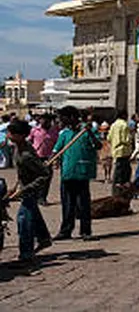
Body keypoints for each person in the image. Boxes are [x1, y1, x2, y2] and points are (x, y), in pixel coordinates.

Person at [5, 119, 52, 269]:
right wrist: (15, 187)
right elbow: (22, 173)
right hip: (24, 188)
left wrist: (25, 189)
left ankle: (26, 255)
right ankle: (44, 239)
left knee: (23, 220)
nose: (8, 135)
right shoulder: (18, 148)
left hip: (30, 191)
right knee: (33, 215)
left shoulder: (27, 154)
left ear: (19, 135)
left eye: (11, 133)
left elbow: (44, 174)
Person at [53, 106, 101, 242]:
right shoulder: (65, 134)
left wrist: (90, 133)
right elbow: (56, 150)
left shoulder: (87, 132)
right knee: (67, 204)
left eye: (63, 117)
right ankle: (65, 231)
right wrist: (50, 160)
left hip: (82, 173)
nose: (60, 120)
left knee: (83, 205)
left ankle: (86, 231)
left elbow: (98, 146)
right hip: (67, 173)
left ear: (72, 117)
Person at [29, 114, 58, 204]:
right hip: (36, 157)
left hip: (49, 158)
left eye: (46, 120)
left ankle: (42, 197)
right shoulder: (35, 130)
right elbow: (29, 140)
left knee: (46, 178)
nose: (44, 122)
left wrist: (55, 158)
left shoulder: (54, 131)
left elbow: (57, 144)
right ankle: (34, 196)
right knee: (35, 177)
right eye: (42, 119)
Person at [107, 109, 133, 192]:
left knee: (118, 171)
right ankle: (120, 190)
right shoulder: (124, 125)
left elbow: (109, 138)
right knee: (125, 172)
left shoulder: (113, 125)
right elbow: (126, 139)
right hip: (124, 150)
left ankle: (115, 189)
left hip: (115, 150)